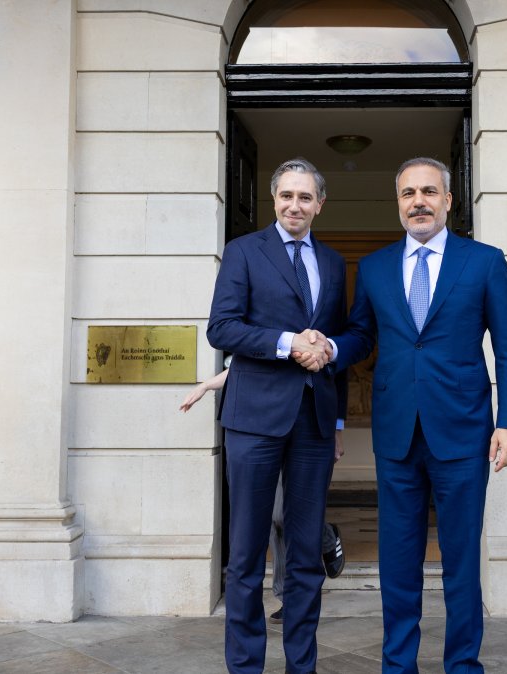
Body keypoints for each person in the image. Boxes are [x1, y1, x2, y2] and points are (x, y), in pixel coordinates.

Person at [319, 157, 507, 674]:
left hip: (463, 432)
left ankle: (463, 665)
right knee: (397, 562)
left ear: (448, 201)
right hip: (396, 433)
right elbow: (361, 335)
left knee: (460, 561)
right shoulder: (375, 267)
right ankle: (398, 666)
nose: (419, 202)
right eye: (409, 193)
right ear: (398, 203)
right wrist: (328, 348)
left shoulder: (485, 262)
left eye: (429, 192)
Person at [206, 157, 349, 674]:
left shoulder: (332, 262)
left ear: (319, 204)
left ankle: (300, 666)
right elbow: (221, 328)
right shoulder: (244, 252)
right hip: (253, 421)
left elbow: (339, 341)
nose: (295, 205)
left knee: (306, 555)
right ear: (274, 200)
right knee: (246, 554)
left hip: (314, 422)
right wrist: (289, 343)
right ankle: (245, 666)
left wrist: (337, 420)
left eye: (305, 197)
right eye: (287, 195)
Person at [178, 370, 348, 626]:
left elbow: (337, 371)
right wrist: (206, 385)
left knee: (282, 516)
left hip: (304, 428)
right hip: (259, 429)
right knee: (271, 521)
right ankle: (286, 594)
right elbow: (245, 366)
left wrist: (337, 427)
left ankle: (323, 538)